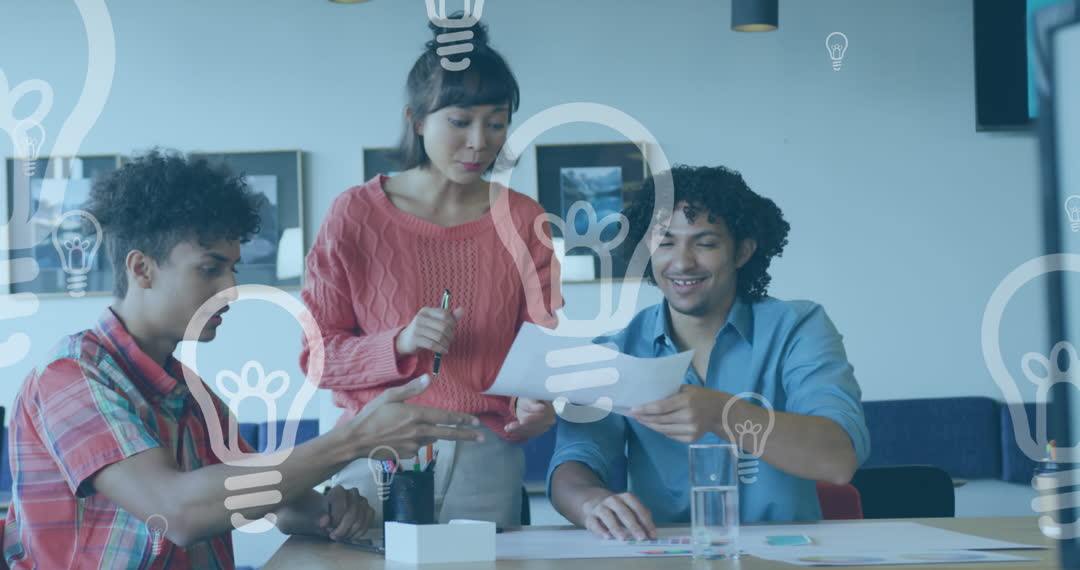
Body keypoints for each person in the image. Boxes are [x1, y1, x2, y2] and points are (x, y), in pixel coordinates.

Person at [0, 150, 482, 569]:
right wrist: (354, 439)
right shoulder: (70, 377)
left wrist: (325, 511)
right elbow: (178, 512)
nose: (230, 289)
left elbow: (276, 503)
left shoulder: (192, 394)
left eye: (232, 269)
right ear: (141, 268)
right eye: (210, 269)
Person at [301, 17, 562, 528]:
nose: (479, 142)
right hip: (376, 448)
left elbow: (538, 357)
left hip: (485, 456)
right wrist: (398, 342)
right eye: (460, 121)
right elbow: (316, 359)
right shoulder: (354, 215)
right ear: (417, 120)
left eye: (496, 123)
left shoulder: (524, 219)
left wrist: (534, 406)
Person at [548, 165, 871, 540]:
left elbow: (838, 459)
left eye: (705, 243)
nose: (682, 262)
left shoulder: (798, 327)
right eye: (665, 242)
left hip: (785, 555)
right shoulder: (616, 352)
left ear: (742, 251)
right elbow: (574, 461)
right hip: (666, 554)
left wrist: (722, 414)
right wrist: (591, 502)